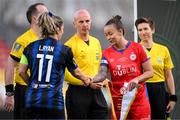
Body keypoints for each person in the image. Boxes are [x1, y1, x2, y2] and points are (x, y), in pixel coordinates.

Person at [18, 12, 90, 119]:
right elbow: (76, 72)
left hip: (32, 100)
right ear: (57, 29)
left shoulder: (29, 47)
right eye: (63, 29)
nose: (63, 31)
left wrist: (32, 84)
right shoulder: (64, 50)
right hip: (53, 101)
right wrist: (87, 80)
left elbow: (21, 71)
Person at [92, 15, 154, 120]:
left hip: (139, 102)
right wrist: (90, 80)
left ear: (120, 32)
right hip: (118, 104)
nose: (108, 38)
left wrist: (137, 79)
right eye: (106, 35)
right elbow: (102, 74)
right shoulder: (106, 53)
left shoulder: (137, 48)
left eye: (110, 34)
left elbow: (150, 72)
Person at [4, 3, 48, 119]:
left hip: (43, 92)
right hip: (25, 91)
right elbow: (10, 65)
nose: (49, 16)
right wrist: (9, 93)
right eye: (45, 14)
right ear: (35, 18)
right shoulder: (23, 40)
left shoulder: (48, 39)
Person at [64, 9, 109, 119]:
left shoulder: (96, 42)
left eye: (87, 21)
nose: (85, 24)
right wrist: (88, 82)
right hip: (78, 93)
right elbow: (66, 73)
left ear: (91, 22)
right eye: (81, 22)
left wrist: (102, 79)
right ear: (74, 24)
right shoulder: (69, 45)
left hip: (96, 91)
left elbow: (99, 66)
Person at [135, 17, 177, 119]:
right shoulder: (134, 49)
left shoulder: (163, 50)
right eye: (140, 30)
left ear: (152, 30)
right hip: (142, 90)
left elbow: (168, 75)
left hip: (159, 90)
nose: (143, 32)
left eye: (146, 29)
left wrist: (173, 98)